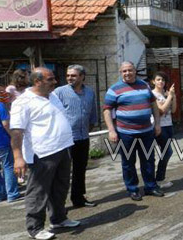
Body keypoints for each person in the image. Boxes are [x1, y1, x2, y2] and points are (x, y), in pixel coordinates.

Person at [11, 67, 80, 240]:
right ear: (37, 81)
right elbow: (17, 132)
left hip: (63, 148)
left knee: (61, 186)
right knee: (38, 191)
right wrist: (18, 157)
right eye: (50, 79)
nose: (55, 82)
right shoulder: (23, 102)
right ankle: (34, 228)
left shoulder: (53, 96)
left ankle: (58, 219)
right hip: (42, 154)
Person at [103, 61, 164, 201]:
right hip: (125, 133)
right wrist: (111, 130)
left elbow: (153, 105)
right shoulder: (114, 89)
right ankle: (132, 189)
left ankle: (150, 186)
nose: (127, 73)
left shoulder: (145, 85)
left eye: (130, 70)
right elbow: (107, 111)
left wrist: (157, 124)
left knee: (148, 160)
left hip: (147, 131)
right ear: (121, 72)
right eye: (124, 71)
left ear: (135, 71)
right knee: (128, 162)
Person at [53, 65, 98, 208]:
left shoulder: (90, 92)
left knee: (80, 170)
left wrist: (87, 129)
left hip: (83, 138)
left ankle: (78, 199)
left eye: (73, 75)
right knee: (62, 174)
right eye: (68, 75)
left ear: (82, 76)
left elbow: (93, 114)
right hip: (65, 140)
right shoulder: (59, 92)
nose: (69, 78)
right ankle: (59, 206)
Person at [150, 72, 176, 189]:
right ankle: (159, 178)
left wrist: (172, 96)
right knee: (167, 152)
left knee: (166, 152)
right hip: (159, 126)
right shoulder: (153, 95)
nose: (161, 82)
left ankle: (159, 177)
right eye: (158, 79)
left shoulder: (166, 94)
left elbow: (174, 110)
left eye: (163, 80)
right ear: (153, 81)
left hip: (168, 125)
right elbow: (161, 111)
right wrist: (169, 98)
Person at [0, 100, 21, 203]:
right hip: (2, 140)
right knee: (8, 166)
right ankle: (12, 194)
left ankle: (0, 195)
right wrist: (13, 136)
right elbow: (5, 124)